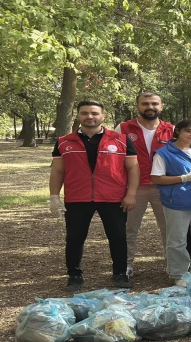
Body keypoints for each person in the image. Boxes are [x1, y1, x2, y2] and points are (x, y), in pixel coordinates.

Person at [50, 101, 140, 291]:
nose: (89, 117)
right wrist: (54, 196)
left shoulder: (121, 140)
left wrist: (131, 194)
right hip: (77, 197)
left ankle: (120, 273)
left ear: (102, 116)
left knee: (117, 236)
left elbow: (133, 168)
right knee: (74, 237)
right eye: (84, 113)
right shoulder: (64, 141)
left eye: (94, 113)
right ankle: (74, 275)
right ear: (78, 116)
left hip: (113, 197)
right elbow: (58, 171)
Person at [115, 92, 174, 277]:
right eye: (145, 103)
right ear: (137, 106)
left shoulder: (171, 129)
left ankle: (173, 265)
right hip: (134, 188)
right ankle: (126, 265)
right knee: (129, 228)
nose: (150, 107)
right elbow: (115, 158)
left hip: (164, 187)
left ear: (161, 106)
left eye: (154, 103)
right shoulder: (123, 128)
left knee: (169, 228)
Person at [150, 120, 191, 286]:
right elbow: (156, 178)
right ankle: (178, 274)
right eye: (189, 131)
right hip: (177, 202)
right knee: (177, 240)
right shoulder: (164, 153)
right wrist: (183, 178)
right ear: (178, 131)